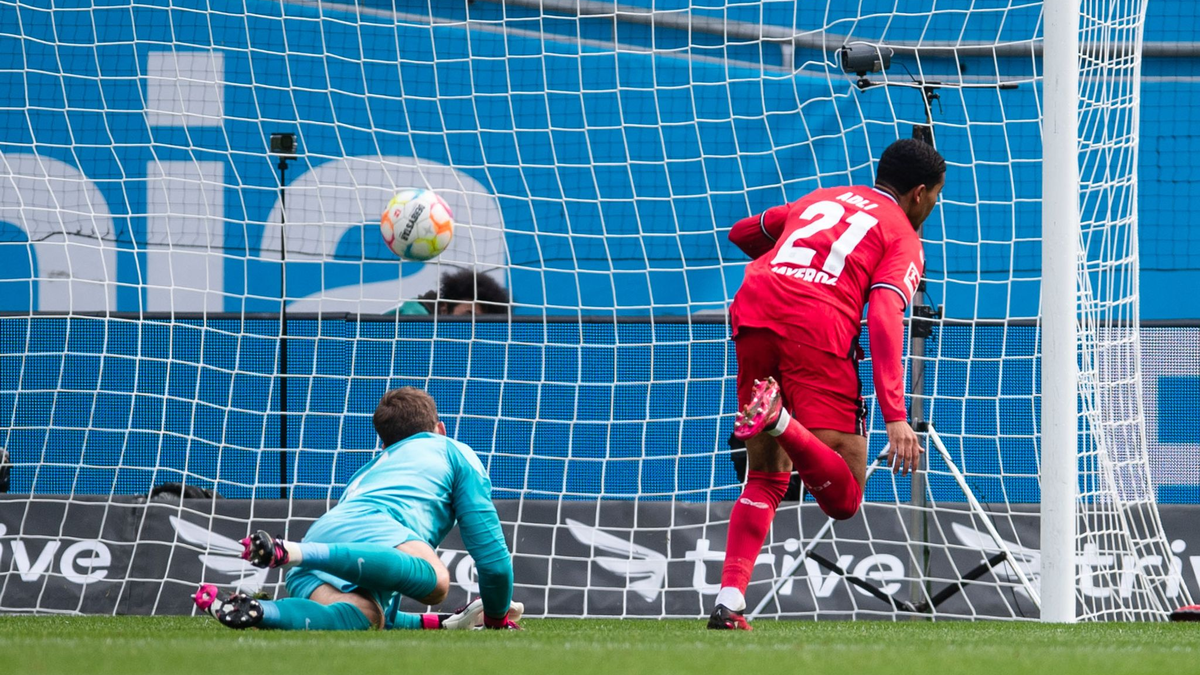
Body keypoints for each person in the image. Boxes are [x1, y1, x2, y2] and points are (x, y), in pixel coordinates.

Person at [708, 138, 945, 630]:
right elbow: (883, 313)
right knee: (845, 498)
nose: (934, 206)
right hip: (815, 325)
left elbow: (741, 233)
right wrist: (896, 417)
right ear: (919, 193)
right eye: (937, 197)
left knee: (767, 476)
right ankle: (779, 421)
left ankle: (730, 602)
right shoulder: (903, 234)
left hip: (753, 308)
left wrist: (794, 255)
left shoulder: (819, 198)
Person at [193, 387, 522, 631]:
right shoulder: (453, 451)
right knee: (436, 581)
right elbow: (493, 563)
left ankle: (261, 612)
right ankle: (288, 551)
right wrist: (496, 619)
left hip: (323, 541)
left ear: (383, 444)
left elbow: (389, 612)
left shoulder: (370, 470)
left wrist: (445, 623)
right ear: (440, 429)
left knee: (368, 617)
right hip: (356, 537)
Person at [394, 268, 510, 316]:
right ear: (444, 308)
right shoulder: (414, 317)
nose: (473, 325)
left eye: (480, 322)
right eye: (468, 315)